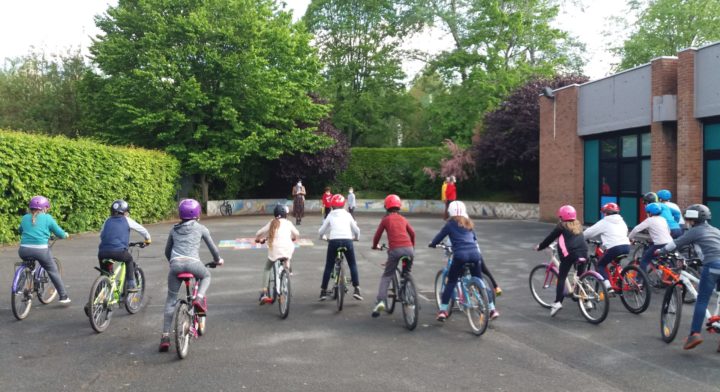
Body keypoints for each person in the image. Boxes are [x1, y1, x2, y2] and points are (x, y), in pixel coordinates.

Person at [159, 199, 224, 352]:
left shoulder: (174, 229)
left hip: (175, 265)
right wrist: (217, 260)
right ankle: (199, 299)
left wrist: (173, 263)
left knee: (171, 300)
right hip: (194, 264)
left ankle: (165, 336)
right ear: (197, 213)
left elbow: (167, 251)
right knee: (206, 276)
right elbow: (213, 249)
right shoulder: (201, 228)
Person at [656, 204, 720, 351]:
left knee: (702, 300)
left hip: (712, 266)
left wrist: (660, 251)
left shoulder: (695, 231)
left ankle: (694, 334)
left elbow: (674, 244)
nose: (687, 222)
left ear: (692, 219)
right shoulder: (716, 230)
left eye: (688, 219)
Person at [430, 200, 499, 321]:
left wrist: (433, 244)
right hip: (475, 255)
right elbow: (474, 238)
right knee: (479, 280)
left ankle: (443, 311)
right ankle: (492, 309)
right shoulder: (468, 223)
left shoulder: (449, 224)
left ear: (450, 211)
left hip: (460, 256)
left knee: (451, 282)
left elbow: (439, 237)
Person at [535, 205, 588, 317]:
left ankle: (558, 302)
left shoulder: (561, 226)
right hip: (583, 253)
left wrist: (540, 247)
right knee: (580, 277)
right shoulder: (578, 224)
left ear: (561, 216)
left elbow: (550, 238)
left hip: (569, 255)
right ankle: (586, 300)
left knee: (562, 277)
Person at [18, 196, 71, 304]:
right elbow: (59, 233)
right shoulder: (47, 218)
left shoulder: (24, 218)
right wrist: (65, 235)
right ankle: (63, 296)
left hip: (23, 250)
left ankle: (18, 288)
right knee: (52, 270)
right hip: (41, 251)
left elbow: (21, 230)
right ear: (44, 208)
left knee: (27, 264)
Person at [370, 194, 415, 317]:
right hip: (409, 250)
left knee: (387, 276)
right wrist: (412, 247)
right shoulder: (403, 219)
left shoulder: (386, 220)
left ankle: (380, 302)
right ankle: (406, 292)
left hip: (395, 251)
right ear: (399, 206)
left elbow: (377, 236)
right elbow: (413, 233)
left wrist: (375, 246)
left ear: (386, 206)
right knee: (406, 273)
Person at [97, 200, 151, 293]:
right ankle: (131, 284)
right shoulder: (126, 219)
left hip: (102, 252)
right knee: (129, 259)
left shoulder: (107, 220)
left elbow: (101, 235)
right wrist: (148, 240)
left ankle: (96, 298)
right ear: (124, 212)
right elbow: (142, 230)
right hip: (118, 251)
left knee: (105, 275)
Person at [318, 194, 362, 301]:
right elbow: (357, 230)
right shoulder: (347, 215)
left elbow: (321, 231)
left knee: (329, 265)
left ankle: (323, 291)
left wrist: (323, 237)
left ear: (332, 205)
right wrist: (355, 238)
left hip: (333, 241)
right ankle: (356, 289)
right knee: (352, 264)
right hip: (347, 241)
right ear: (343, 204)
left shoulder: (331, 215)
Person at [255, 204, 299, 304]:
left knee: (267, 268)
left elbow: (259, 233)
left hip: (274, 251)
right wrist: (293, 237)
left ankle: (264, 293)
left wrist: (258, 239)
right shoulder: (288, 223)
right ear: (285, 214)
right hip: (287, 249)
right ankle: (287, 274)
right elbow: (297, 233)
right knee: (287, 258)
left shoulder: (272, 222)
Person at [582, 202, 630, 294]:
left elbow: (589, 233)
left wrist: (581, 237)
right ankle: (618, 280)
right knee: (615, 262)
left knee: (601, 265)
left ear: (606, 213)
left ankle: (608, 287)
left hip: (614, 248)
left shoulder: (604, 222)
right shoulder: (622, 221)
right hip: (626, 246)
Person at [629, 202, 672, 274]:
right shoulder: (663, 219)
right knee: (664, 260)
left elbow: (636, 229)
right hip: (670, 242)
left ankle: (640, 281)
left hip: (659, 244)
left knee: (644, 260)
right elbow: (668, 231)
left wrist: (629, 238)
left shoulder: (650, 220)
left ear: (650, 213)